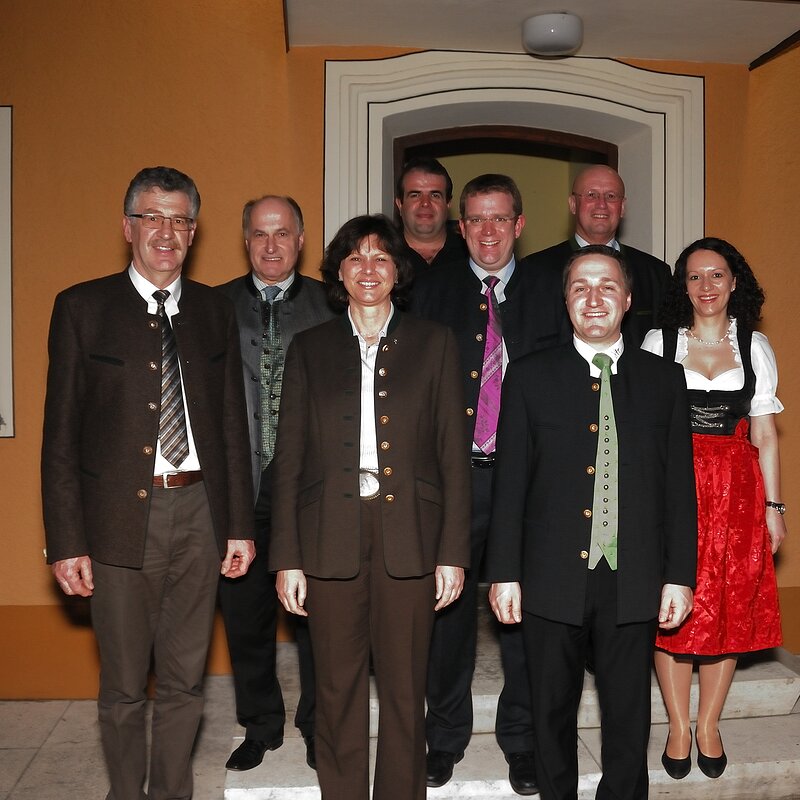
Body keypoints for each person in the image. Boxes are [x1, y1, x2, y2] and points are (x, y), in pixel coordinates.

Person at [42, 166, 255, 800]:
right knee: (124, 686)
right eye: (153, 217)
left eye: (180, 220)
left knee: (187, 681)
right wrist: (66, 541)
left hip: (199, 516)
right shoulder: (82, 308)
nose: (166, 232)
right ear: (127, 227)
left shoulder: (215, 310)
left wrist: (238, 525)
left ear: (194, 230)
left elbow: (231, 426)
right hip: (115, 522)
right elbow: (60, 438)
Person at [269, 214, 471, 800]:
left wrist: (452, 553)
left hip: (410, 534)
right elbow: (289, 459)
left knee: (406, 689)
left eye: (381, 257)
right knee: (336, 688)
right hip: (328, 533)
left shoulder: (434, 342)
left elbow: (452, 456)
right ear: (338, 272)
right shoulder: (309, 348)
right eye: (355, 257)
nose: (368, 268)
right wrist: (287, 558)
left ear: (398, 271)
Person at [486, 245, 697, 800]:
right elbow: (509, 485)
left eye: (607, 286)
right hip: (550, 575)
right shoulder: (529, 376)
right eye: (580, 287)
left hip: (634, 577)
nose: (594, 298)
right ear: (566, 301)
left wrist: (680, 576)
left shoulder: (664, 380)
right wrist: (504, 572)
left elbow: (679, 489)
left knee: (628, 716)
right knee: (550, 711)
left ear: (627, 300)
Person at [411, 174, 570, 795]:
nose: (487, 231)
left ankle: (523, 742)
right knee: (446, 614)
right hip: (454, 481)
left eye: (499, 218)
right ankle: (444, 737)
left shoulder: (552, 294)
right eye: (475, 219)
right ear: (461, 227)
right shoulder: (430, 291)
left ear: (519, 225)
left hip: (529, 484)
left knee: (525, 618)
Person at [642, 237, 786, 781]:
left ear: (734, 282)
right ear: (683, 286)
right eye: (695, 276)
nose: (706, 286)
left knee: (727, 606)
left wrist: (773, 506)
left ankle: (708, 724)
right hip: (672, 484)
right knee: (671, 601)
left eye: (717, 275)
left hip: (737, 490)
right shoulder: (657, 342)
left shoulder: (755, 345)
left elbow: (765, 435)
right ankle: (678, 725)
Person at [218, 195, 335, 772]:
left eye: (282, 233)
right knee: (246, 618)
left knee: (316, 617)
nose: (271, 245)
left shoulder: (332, 304)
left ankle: (318, 724)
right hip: (237, 488)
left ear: (301, 240)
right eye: (260, 234)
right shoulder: (211, 305)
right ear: (246, 240)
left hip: (311, 489)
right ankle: (260, 724)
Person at [522, 164, 670, 345]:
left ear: (622, 207)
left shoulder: (655, 274)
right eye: (591, 195)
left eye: (611, 196)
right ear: (573, 204)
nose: (601, 204)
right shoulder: (533, 271)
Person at [395, 156, 468, 274]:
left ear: (448, 204)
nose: (425, 203)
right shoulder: (381, 253)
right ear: (400, 204)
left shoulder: (471, 254)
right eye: (415, 195)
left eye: (435, 195)